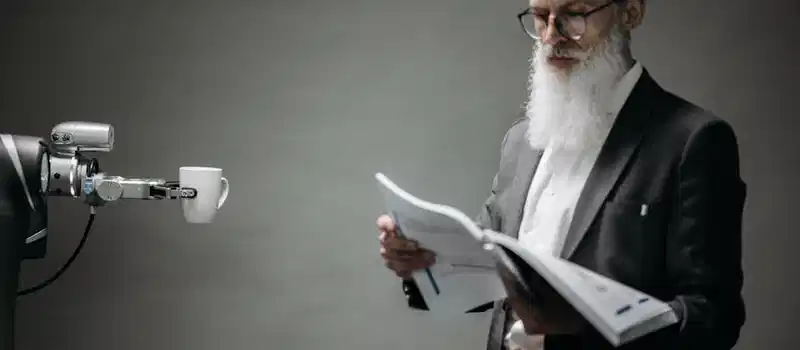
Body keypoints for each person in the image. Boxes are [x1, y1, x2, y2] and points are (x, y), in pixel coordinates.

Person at [377, 0, 747, 349]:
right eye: (540, 15)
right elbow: (487, 274)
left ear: (631, 12)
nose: (552, 36)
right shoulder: (521, 141)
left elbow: (712, 317)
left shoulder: (693, 141)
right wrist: (424, 264)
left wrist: (568, 342)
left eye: (574, 14)